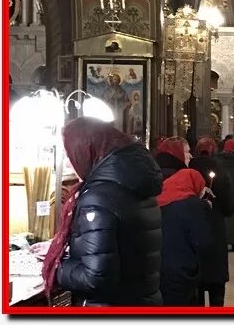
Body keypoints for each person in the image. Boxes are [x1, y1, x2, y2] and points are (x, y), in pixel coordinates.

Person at [42, 118, 163, 306]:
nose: (67, 162)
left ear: (85, 150)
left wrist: (55, 267)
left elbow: (95, 277)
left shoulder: (98, 198)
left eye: (68, 154)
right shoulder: (135, 184)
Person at [158, 166, 213, 305]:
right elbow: (202, 241)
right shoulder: (193, 205)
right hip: (183, 269)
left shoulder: (158, 200)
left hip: (157, 269)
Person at [190, 137, 234, 306]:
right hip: (214, 228)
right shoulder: (220, 170)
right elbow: (229, 208)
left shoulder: (187, 169)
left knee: (197, 286)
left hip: (191, 231)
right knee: (216, 284)